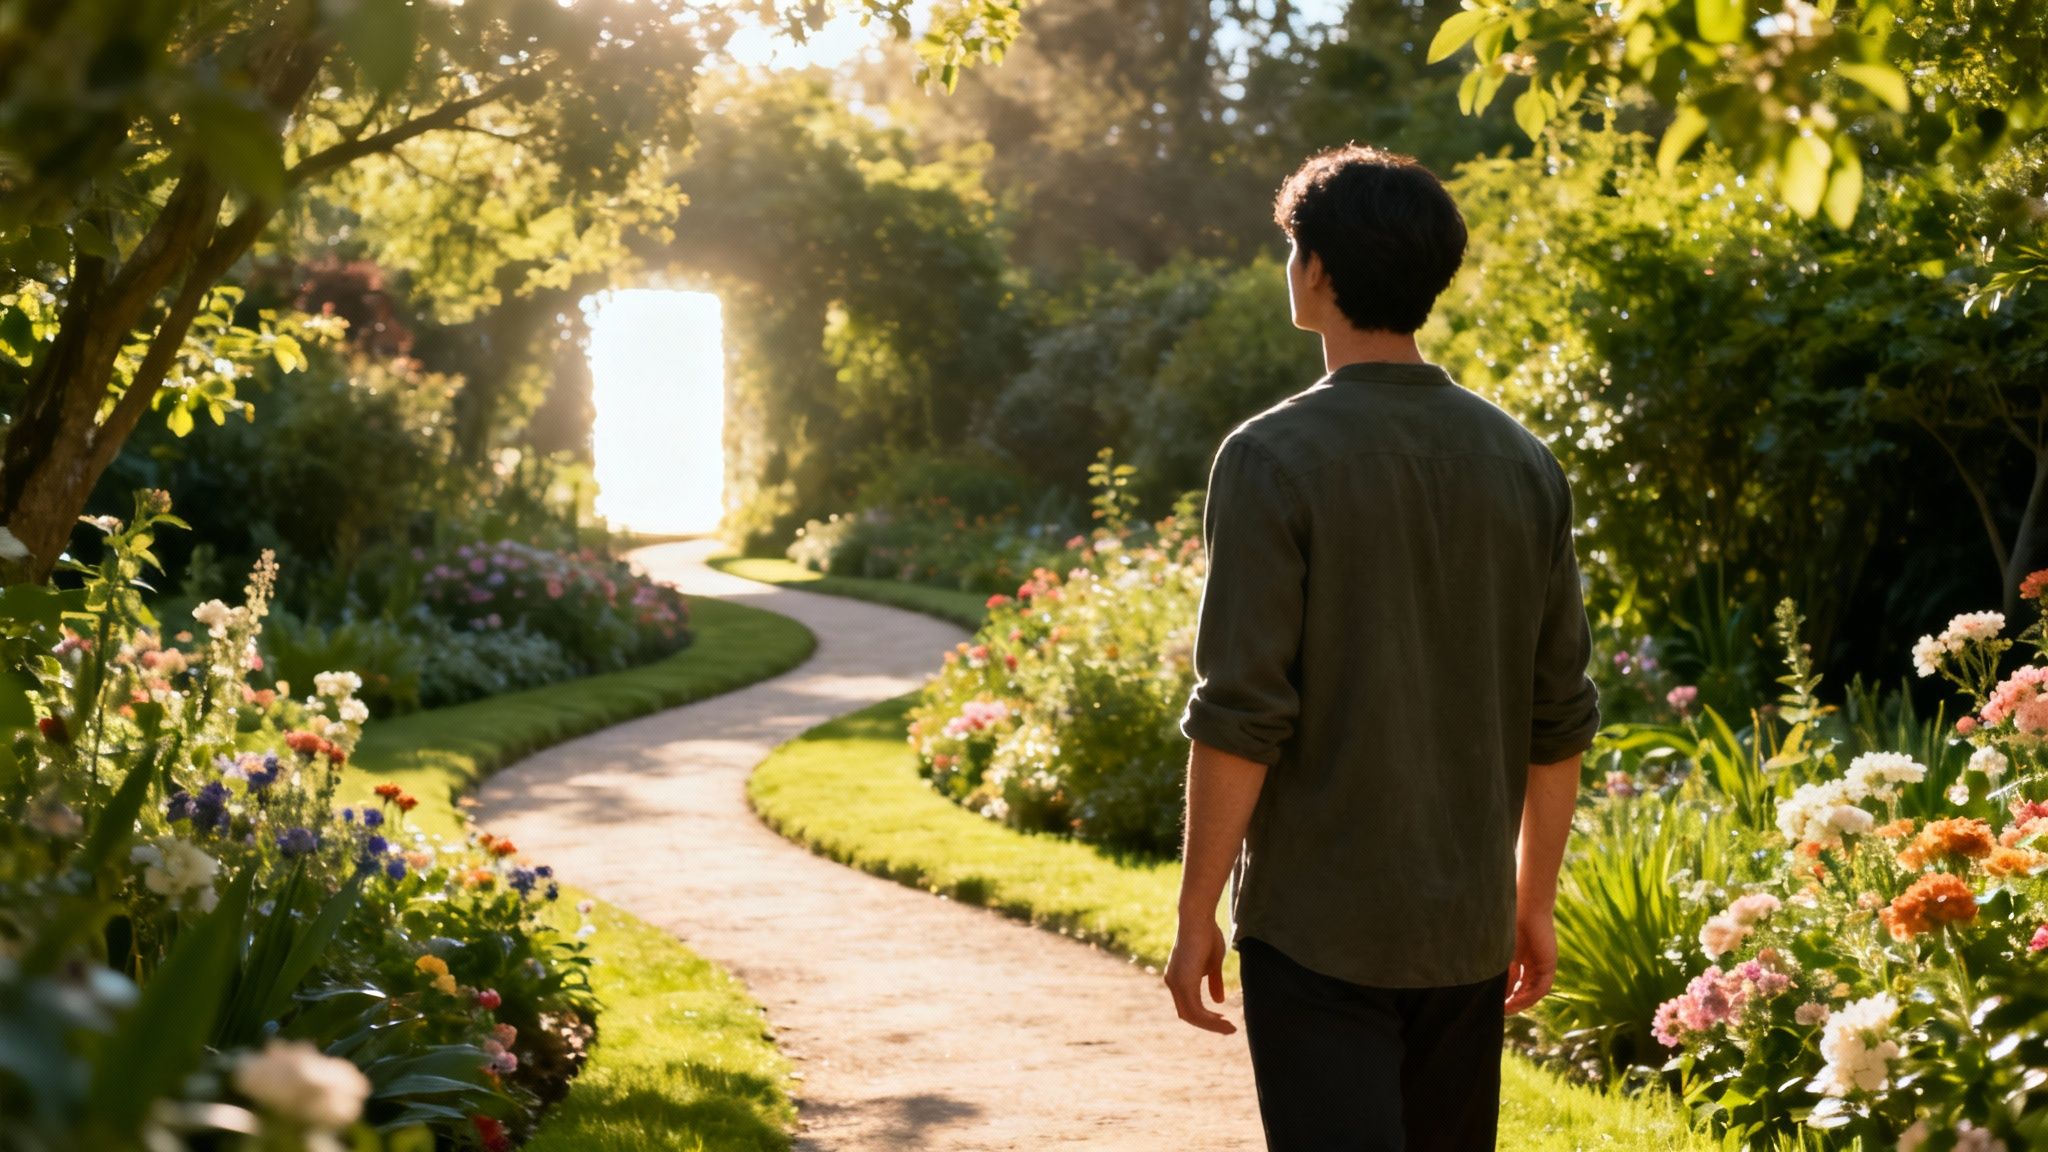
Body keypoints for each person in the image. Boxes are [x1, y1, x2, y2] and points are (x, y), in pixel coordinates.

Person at [1161, 144, 1601, 1152]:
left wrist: (1195, 915)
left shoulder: (1270, 457)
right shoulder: (1523, 463)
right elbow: (1556, 717)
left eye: (1291, 251)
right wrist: (1528, 906)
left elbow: (1238, 713)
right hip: (1463, 933)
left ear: (1315, 271)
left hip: (1316, 932)